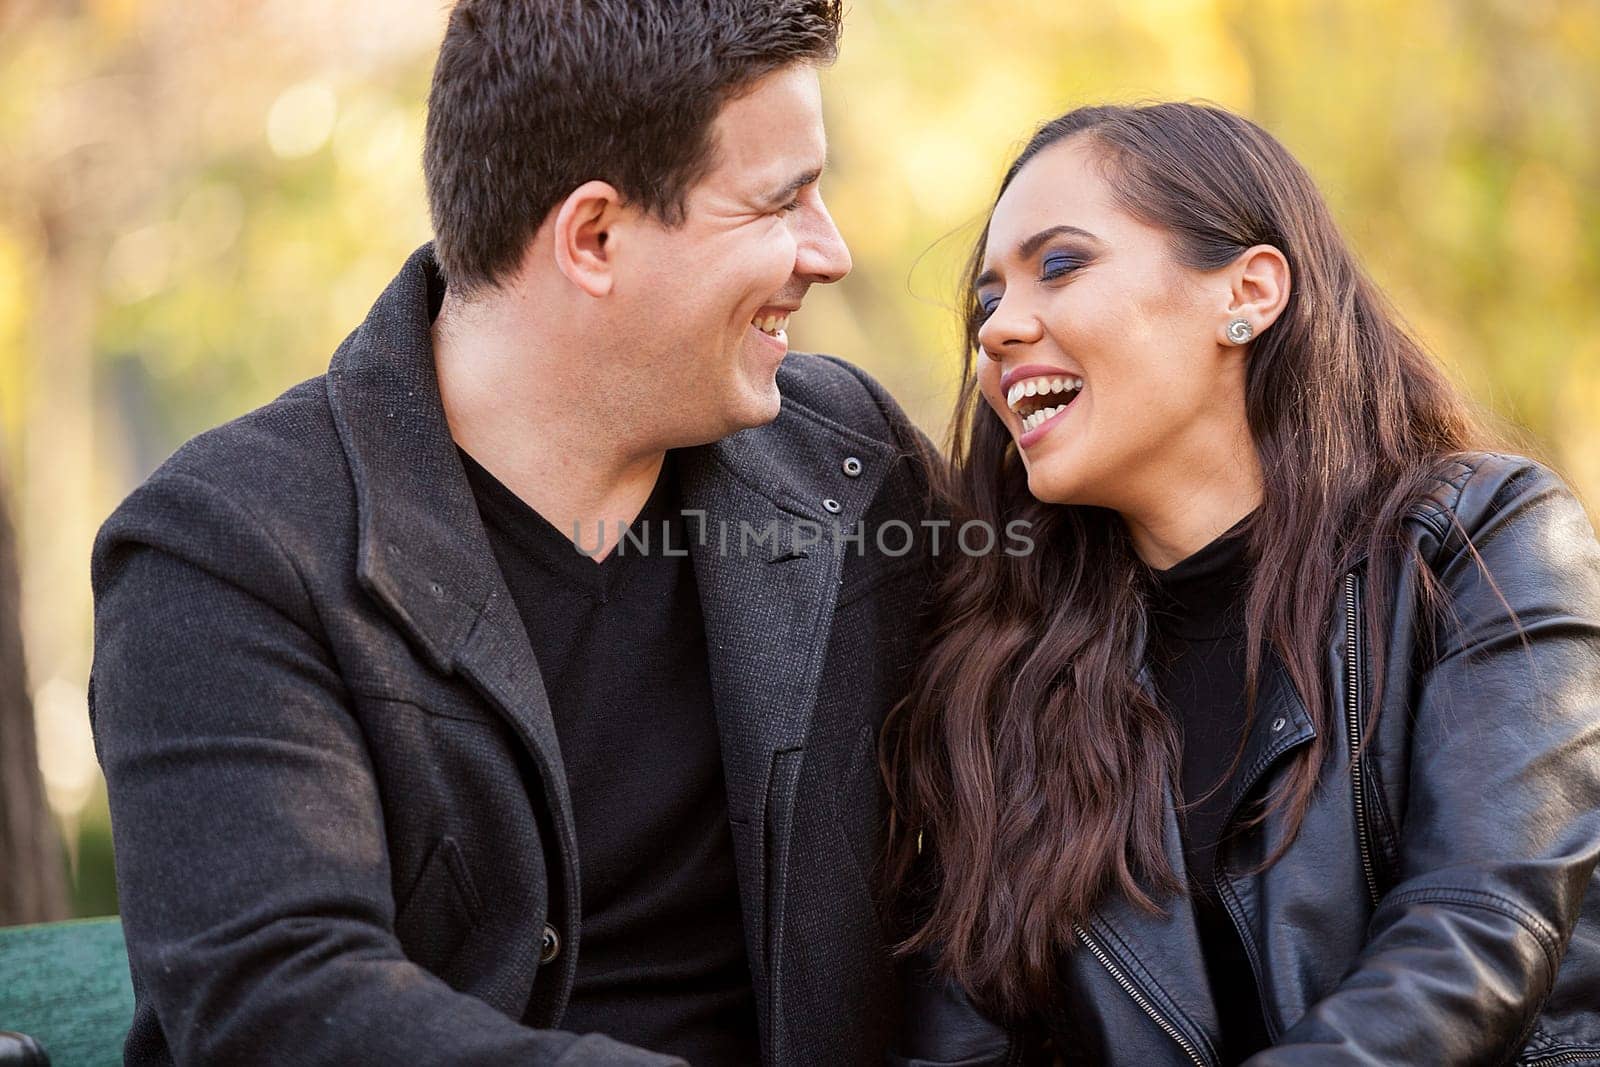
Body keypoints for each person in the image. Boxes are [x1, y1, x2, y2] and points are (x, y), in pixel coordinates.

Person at [88, 2, 940, 1063]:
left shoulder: (845, 460)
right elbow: (279, 998)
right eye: (782, 202)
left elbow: (1044, 743)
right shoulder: (226, 549)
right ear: (593, 237)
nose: (833, 251)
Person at [881, 102, 1600, 1065]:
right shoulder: (1008, 673)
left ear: (1251, 293)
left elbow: (1476, 935)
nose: (1000, 330)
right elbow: (964, 1036)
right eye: (985, 300)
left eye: (1059, 265)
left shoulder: (1477, 543)